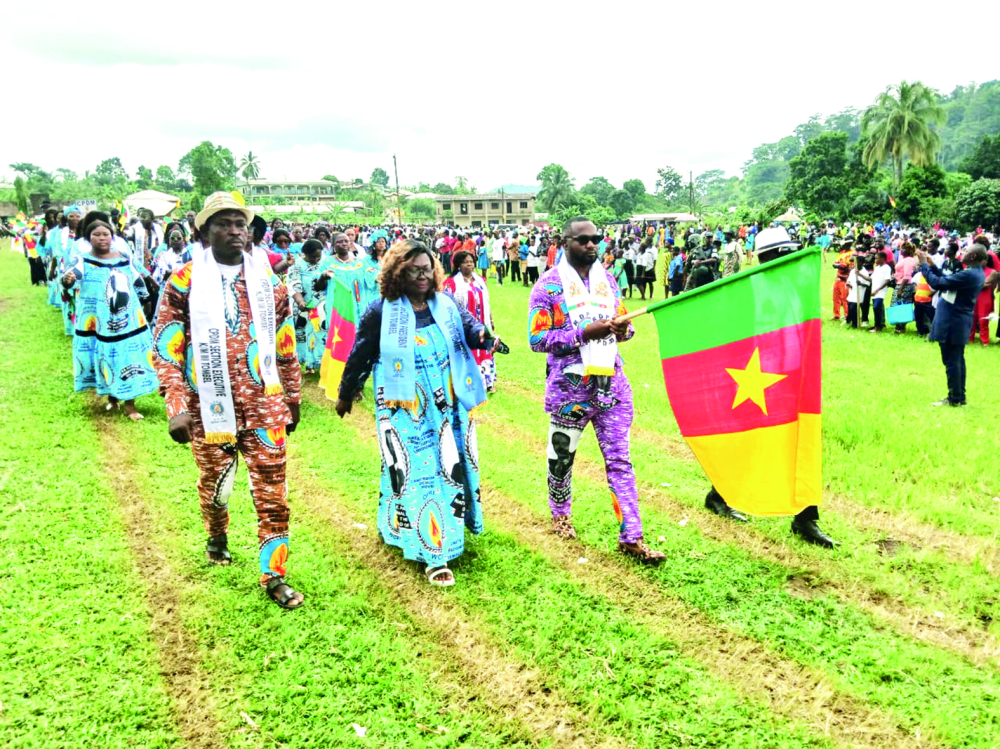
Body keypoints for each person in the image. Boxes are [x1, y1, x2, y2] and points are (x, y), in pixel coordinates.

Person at [152, 191, 304, 609]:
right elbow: (168, 347)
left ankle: (274, 575)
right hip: (206, 407)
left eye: (241, 224)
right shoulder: (183, 280)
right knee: (217, 488)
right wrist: (176, 406)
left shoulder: (269, 282)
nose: (235, 231)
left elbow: (284, 343)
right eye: (223, 224)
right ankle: (217, 535)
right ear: (203, 231)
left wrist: (292, 396)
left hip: (264, 402)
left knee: (273, 491)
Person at [335, 240, 497, 586]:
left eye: (427, 268)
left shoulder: (447, 304)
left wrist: (485, 337)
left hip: (450, 407)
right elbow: (360, 354)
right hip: (405, 408)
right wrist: (346, 394)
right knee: (417, 473)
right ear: (397, 273)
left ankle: (403, 527)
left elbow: (471, 329)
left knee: (450, 468)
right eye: (413, 269)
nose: (422, 275)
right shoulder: (381, 311)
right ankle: (433, 554)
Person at [528, 216, 665, 564]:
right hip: (569, 391)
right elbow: (536, 338)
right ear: (564, 242)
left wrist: (623, 331)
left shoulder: (609, 282)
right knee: (561, 460)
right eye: (583, 240)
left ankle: (631, 536)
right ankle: (561, 515)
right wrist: (582, 334)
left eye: (596, 239)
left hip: (612, 389)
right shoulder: (547, 286)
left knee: (620, 461)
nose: (591, 245)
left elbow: (625, 326)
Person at [702, 227, 838, 548]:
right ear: (771, 255)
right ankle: (718, 494)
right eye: (787, 251)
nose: (793, 256)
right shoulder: (747, 287)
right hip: (756, 382)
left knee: (798, 443)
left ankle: (805, 518)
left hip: (791, 377)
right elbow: (731, 333)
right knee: (749, 441)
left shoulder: (789, 285)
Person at [62, 219, 158, 420]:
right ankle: (113, 398)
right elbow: (71, 276)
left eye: (105, 234)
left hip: (128, 320)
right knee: (106, 355)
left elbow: (137, 279)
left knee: (130, 357)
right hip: (99, 321)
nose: (101, 238)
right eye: (96, 234)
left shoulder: (123, 258)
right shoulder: (82, 260)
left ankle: (130, 405)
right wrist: (67, 279)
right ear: (89, 238)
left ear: (112, 236)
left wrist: (147, 300)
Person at [913, 244, 986, 406]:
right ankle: (959, 396)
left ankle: (955, 398)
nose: (962, 252)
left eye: (966, 251)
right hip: (957, 320)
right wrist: (932, 266)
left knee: (952, 361)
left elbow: (938, 284)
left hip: (953, 321)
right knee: (957, 360)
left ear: (973, 256)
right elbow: (947, 281)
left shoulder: (969, 274)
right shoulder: (974, 273)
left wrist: (924, 265)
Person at [443, 249, 497, 392]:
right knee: (469, 350)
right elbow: (449, 305)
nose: (469, 265)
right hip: (465, 325)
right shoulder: (451, 283)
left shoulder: (480, 281)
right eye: (465, 262)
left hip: (482, 322)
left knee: (485, 348)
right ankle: (470, 382)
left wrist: (490, 319)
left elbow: (487, 301)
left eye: (471, 262)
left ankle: (488, 381)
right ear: (458, 265)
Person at [287, 239, 334, 373]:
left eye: (318, 256)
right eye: (313, 256)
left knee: (320, 332)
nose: (316, 259)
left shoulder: (324, 262)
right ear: (305, 254)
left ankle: (318, 362)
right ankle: (306, 364)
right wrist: (301, 302)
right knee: (303, 333)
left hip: (320, 306)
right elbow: (294, 284)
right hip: (302, 305)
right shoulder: (296, 265)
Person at [869, 251, 892, 333]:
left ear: (882, 258)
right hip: (874, 291)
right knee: (876, 308)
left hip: (880, 292)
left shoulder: (887, 268)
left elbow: (887, 281)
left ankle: (878, 326)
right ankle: (878, 324)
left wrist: (877, 290)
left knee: (876, 307)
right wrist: (860, 275)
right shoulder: (877, 268)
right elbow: (871, 278)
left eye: (877, 258)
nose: (875, 260)